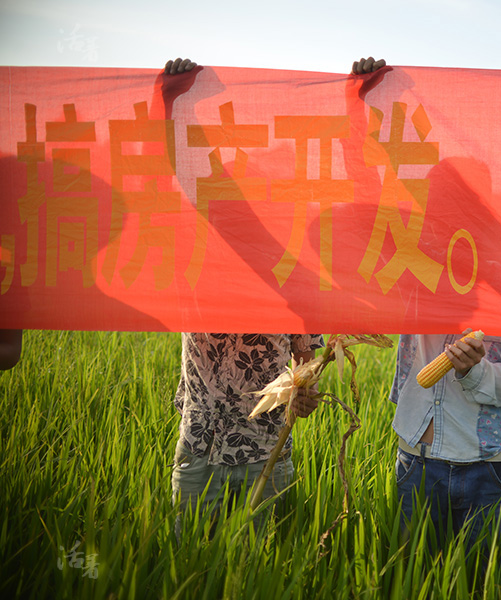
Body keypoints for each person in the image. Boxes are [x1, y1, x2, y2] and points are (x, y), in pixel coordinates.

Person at [163, 58, 326, 539]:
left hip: (266, 456)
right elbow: (182, 171)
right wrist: (176, 101)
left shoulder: (296, 279)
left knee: (263, 572)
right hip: (201, 447)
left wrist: (305, 396)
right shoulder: (196, 264)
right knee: (187, 564)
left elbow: (305, 368)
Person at [390, 328, 501, 555]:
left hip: (485, 466)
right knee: (413, 578)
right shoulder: (418, 292)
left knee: (478, 582)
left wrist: (475, 372)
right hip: (418, 461)